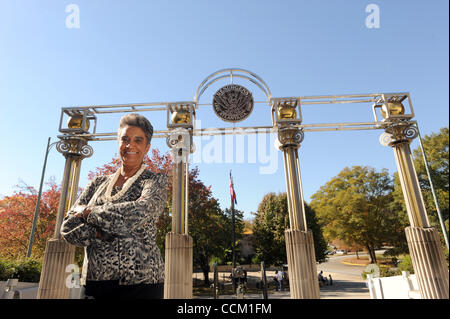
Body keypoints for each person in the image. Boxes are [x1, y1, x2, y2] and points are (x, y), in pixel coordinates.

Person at [61, 113, 168, 299]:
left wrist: (88, 212)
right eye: (125, 139)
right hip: (96, 281)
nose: (130, 145)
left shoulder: (154, 180)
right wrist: (100, 233)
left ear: (147, 147)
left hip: (142, 283)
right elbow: (68, 228)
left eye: (138, 140)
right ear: (118, 142)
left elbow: (140, 212)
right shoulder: (97, 183)